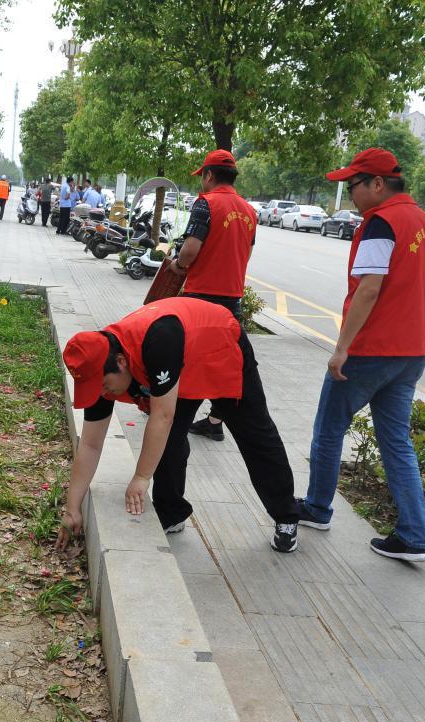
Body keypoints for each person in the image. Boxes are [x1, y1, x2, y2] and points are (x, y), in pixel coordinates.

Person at [55, 298, 297, 553]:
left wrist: (141, 477)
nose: (102, 392)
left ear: (120, 362)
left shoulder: (158, 340)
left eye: (103, 385)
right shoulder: (98, 365)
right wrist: (72, 508)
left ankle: (286, 517)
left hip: (219, 346)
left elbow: (162, 416)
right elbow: (91, 444)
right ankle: (172, 513)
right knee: (166, 440)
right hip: (181, 363)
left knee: (255, 435)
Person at [300, 148, 425, 563]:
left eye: (353, 185)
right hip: (412, 352)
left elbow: (370, 288)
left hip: (371, 349)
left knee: (328, 429)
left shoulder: (381, 223)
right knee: (397, 442)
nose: (350, 194)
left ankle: (317, 508)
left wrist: (341, 349)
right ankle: (413, 536)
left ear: (378, 184)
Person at [168, 149, 300, 550]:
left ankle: (170, 512)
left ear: (209, 175)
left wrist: (175, 264)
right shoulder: (250, 211)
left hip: (194, 319)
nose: (200, 183)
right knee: (257, 425)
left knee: (172, 421)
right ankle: (286, 518)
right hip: (231, 323)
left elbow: (190, 253)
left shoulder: (205, 204)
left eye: (200, 177)